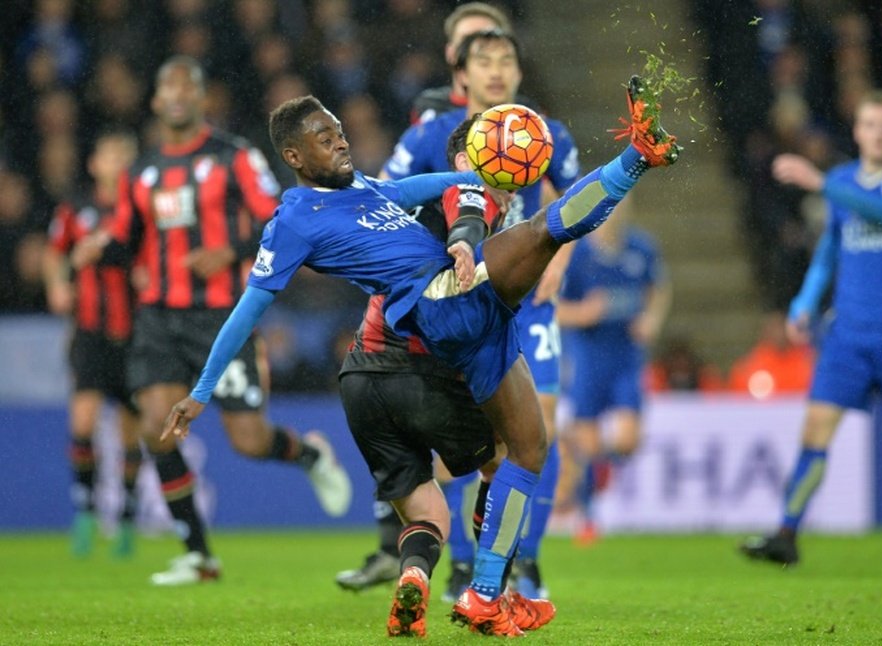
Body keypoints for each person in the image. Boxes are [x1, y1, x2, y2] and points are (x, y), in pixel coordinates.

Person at [161, 75, 678, 636]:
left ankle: (485, 594)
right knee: (540, 232)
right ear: (293, 155)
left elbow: (411, 190)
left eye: (337, 131)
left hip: (460, 327)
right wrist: (201, 390)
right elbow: (247, 310)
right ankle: (636, 157)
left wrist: (469, 177)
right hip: (439, 301)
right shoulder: (290, 221)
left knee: (526, 450)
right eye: (323, 136)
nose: (340, 141)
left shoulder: (360, 188)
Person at [74, 56, 351, 585]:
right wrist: (99, 248)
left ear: (203, 99)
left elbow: (279, 215)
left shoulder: (233, 158)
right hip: (158, 317)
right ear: (156, 101)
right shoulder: (142, 171)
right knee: (158, 426)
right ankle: (199, 555)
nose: (177, 93)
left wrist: (231, 250)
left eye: (188, 85)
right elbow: (126, 239)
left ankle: (309, 454)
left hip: (222, 316)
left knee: (247, 440)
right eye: (167, 85)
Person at [382, 28, 580, 600]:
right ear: (461, 75)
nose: (496, 71)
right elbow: (389, 199)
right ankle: (465, 565)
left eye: (506, 60)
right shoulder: (432, 135)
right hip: (460, 301)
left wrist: (560, 260)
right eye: (483, 60)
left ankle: (526, 563)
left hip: (528, 299)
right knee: (462, 441)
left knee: (536, 425)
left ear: (519, 72)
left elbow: (574, 197)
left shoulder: (544, 132)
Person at [740, 90, 882, 572]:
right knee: (815, 429)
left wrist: (820, 182)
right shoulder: (843, 182)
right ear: (856, 132)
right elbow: (830, 250)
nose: (877, 133)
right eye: (869, 125)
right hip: (848, 333)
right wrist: (805, 302)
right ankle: (786, 535)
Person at [42, 129, 144, 559]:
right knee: (82, 422)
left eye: (125, 156)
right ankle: (85, 512)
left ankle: (125, 519)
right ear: (94, 164)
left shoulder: (141, 211)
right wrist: (58, 282)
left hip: (137, 332)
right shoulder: (76, 209)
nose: (117, 163)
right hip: (89, 331)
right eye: (110, 155)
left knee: (129, 432)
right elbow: (53, 251)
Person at [556, 197, 671, 545]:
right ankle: (588, 517)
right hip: (588, 357)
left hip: (626, 356)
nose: (615, 214)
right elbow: (551, 307)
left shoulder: (641, 247)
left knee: (628, 440)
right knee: (588, 443)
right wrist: (583, 313)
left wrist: (651, 319)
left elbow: (660, 289)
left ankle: (590, 468)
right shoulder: (577, 254)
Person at [409, 2, 516, 124]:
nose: (475, 49)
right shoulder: (431, 112)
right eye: (466, 42)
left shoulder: (527, 114)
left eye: (487, 42)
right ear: (450, 53)